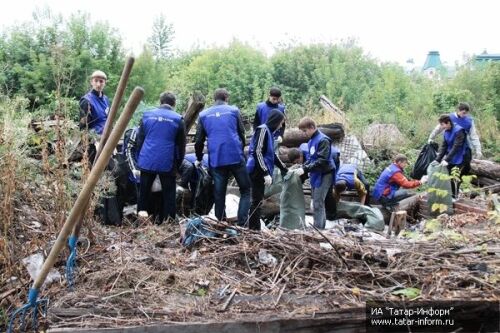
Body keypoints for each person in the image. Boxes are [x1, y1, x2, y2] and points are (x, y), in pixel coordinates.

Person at [195, 88, 251, 226]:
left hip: (217, 159)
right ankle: (242, 224)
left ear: (214, 99)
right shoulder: (234, 111)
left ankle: (220, 224)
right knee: (245, 190)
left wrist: (199, 157)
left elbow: (198, 141)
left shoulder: (203, 115)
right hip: (235, 156)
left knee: (219, 194)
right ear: (226, 97)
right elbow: (241, 133)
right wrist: (241, 148)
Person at [136, 92, 186, 223]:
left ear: (160, 101)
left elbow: (140, 139)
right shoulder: (178, 119)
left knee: (144, 193)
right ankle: (168, 222)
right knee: (169, 194)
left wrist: (139, 159)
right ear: (174, 104)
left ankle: (141, 222)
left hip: (147, 159)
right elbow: (181, 146)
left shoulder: (147, 115)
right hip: (167, 161)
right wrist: (178, 163)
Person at [247, 109, 288, 230]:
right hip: (257, 171)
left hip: (261, 171)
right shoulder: (263, 130)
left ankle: (255, 228)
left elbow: (272, 155)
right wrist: (265, 172)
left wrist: (283, 168)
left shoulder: (269, 133)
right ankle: (253, 229)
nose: (281, 125)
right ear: (275, 121)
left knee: (258, 201)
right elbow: (257, 151)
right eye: (280, 122)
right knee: (256, 201)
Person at [296, 117, 336, 229]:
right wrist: (303, 166)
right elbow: (311, 158)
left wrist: (305, 169)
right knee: (317, 202)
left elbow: (322, 160)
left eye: (305, 131)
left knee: (318, 202)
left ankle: (318, 229)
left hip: (325, 173)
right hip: (316, 173)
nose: (304, 134)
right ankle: (319, 226)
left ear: (312, 127)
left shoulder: (323, 140)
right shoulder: (311, 141)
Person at [428, 102, 482, 167]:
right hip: (451, 148)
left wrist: (478, 150)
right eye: (463, 113)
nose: (465, 115)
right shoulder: (449, 118)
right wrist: (431, 138)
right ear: (458, 110)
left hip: (462, 148)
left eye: (466, 113)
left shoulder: (469, 121)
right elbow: (438, 128)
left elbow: (474, 136)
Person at [434, 114, 468, 198]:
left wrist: (446, 160)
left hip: (461, 156)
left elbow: (456, 146)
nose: (441, 127)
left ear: (448, 122)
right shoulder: (446, 131)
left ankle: (454, 196)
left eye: (442, 124)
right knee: (447, 175)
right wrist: (437, 159)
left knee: (455, 177)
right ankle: (450, 194)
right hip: (451, 156)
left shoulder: (459, 131)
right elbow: (444, 146)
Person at [79, 70, 110, 135]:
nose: (98, 84)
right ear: (91, 82)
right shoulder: (86, 100)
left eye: (101, 81)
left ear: (105, 83)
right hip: (94, 138)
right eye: (96, 81)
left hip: (107, 134)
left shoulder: (106, 99)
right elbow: (83, 127)